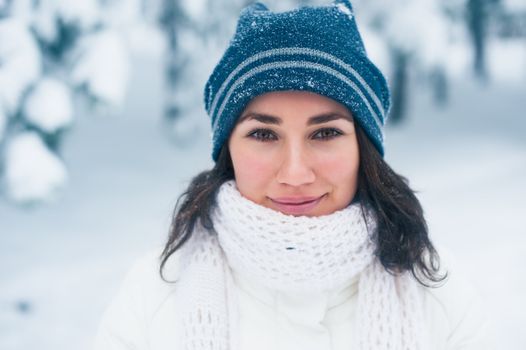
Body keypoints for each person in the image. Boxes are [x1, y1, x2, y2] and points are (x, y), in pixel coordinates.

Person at [93, 1, 491, 349]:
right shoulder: (155, 294)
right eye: (263, 134)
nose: (296, 173)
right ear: (227, 150)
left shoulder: (436, 293)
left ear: (363, 148)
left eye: (326, 133)